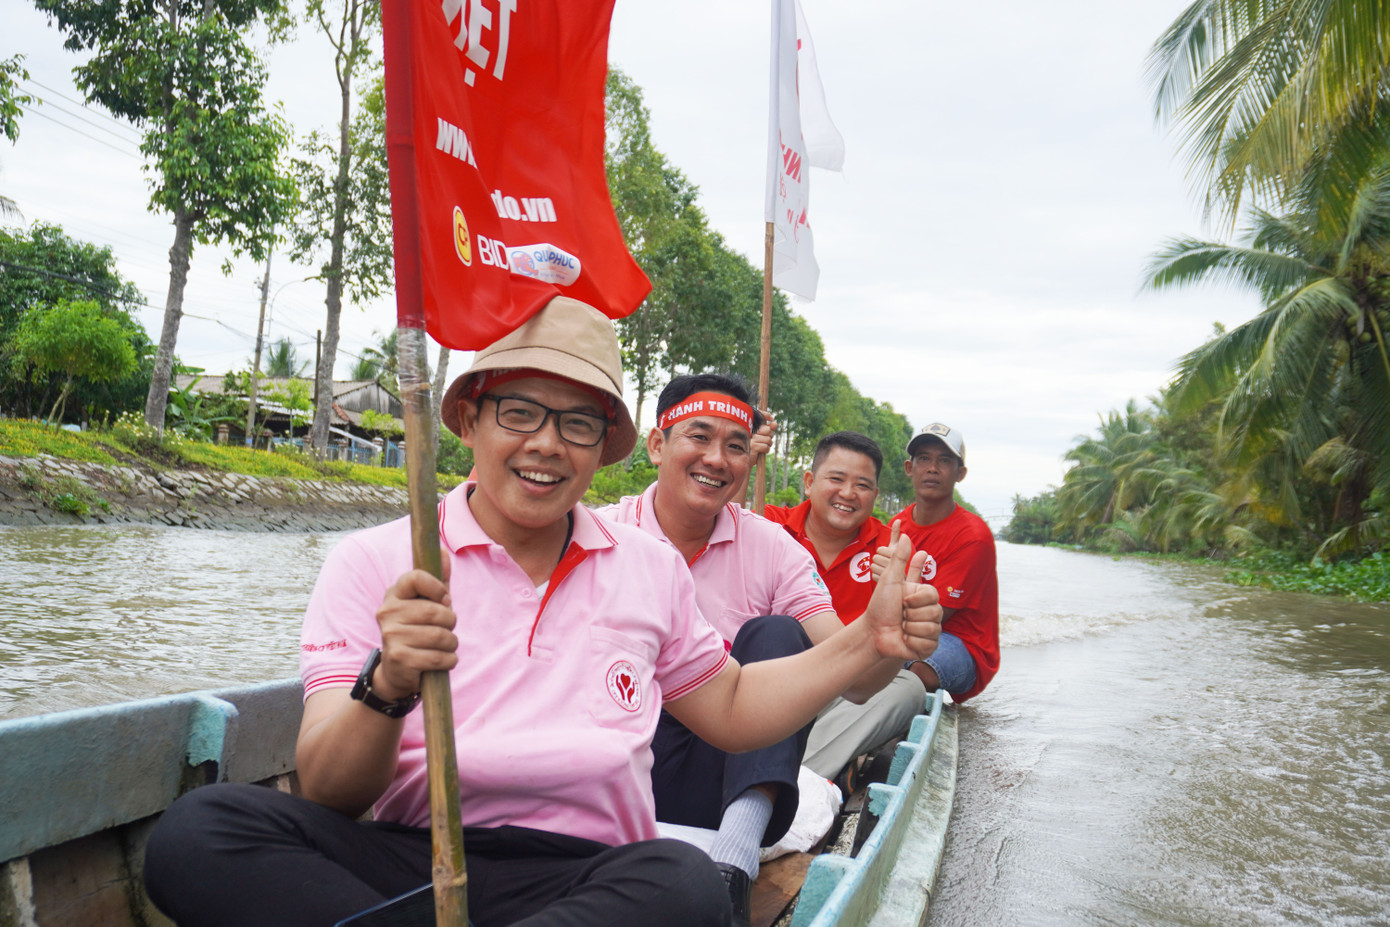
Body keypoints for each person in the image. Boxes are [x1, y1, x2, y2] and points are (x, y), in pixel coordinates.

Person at [141, 298, 940, 927]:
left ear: (604, 449)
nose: (548, 444)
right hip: (402, 859)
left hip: (588, 874)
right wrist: (387, 682)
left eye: (578, 423)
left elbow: (731, 708)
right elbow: (326, 791)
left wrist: (867, 640)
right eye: (520, 413)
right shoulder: (377, 561)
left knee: (684, 884)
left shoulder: (645, 567)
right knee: (198, 832)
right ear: (468, 422)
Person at [596, 376, 928, 922]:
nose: (716, 459)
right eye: (698, 437)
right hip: (614, 759)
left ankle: (735, 860)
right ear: (657, 445)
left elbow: (858, 680)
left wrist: (885, 635)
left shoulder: (773, 547)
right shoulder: (601, 536)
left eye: (734, 445)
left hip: (714, 767)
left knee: (775, 633)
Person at [762, 432, 931, 781]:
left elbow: (893, 649)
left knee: (909, 689)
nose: (848, 494)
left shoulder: (892, 550)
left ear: (875, 496)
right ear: (809, 482)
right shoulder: (767, 525)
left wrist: (898, 598)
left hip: (846, 688)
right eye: (836, 479)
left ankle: (791, 779)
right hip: (770, 680)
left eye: (862, 485)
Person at [885, 422, 999, 703]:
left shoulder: (973, 537)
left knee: (916, 670)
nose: (932, 468)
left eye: (944, 460)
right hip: (903, 626)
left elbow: (934, 616)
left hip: (961, 644)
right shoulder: (896, 526)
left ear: (960, 473)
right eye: (924, 458)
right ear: (909, 468)